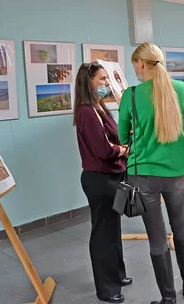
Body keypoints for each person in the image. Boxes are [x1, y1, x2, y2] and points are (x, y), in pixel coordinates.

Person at [118, 43, 184, 304]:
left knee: (156, 236)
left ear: (141, 64)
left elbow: (122, 137)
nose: (136, 72)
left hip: (143, 175)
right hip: (177, 170)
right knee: (180, 224)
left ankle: (168, 298)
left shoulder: (131, 95)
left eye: (135, 66)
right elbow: (180, 123)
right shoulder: (182, 89)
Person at [73, 62, 131, 304]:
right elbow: (104, 150)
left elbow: (114, 140)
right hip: (99, 180)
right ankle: (106, 288)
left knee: (113, 229)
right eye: (103, 79)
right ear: (89, 82)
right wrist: (124, 150)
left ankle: (117, 274)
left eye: (107, 79)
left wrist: (121, 147)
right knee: (103, 234)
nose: (107, 84)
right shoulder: (86, 111)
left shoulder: (101, 108)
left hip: (113, 176)